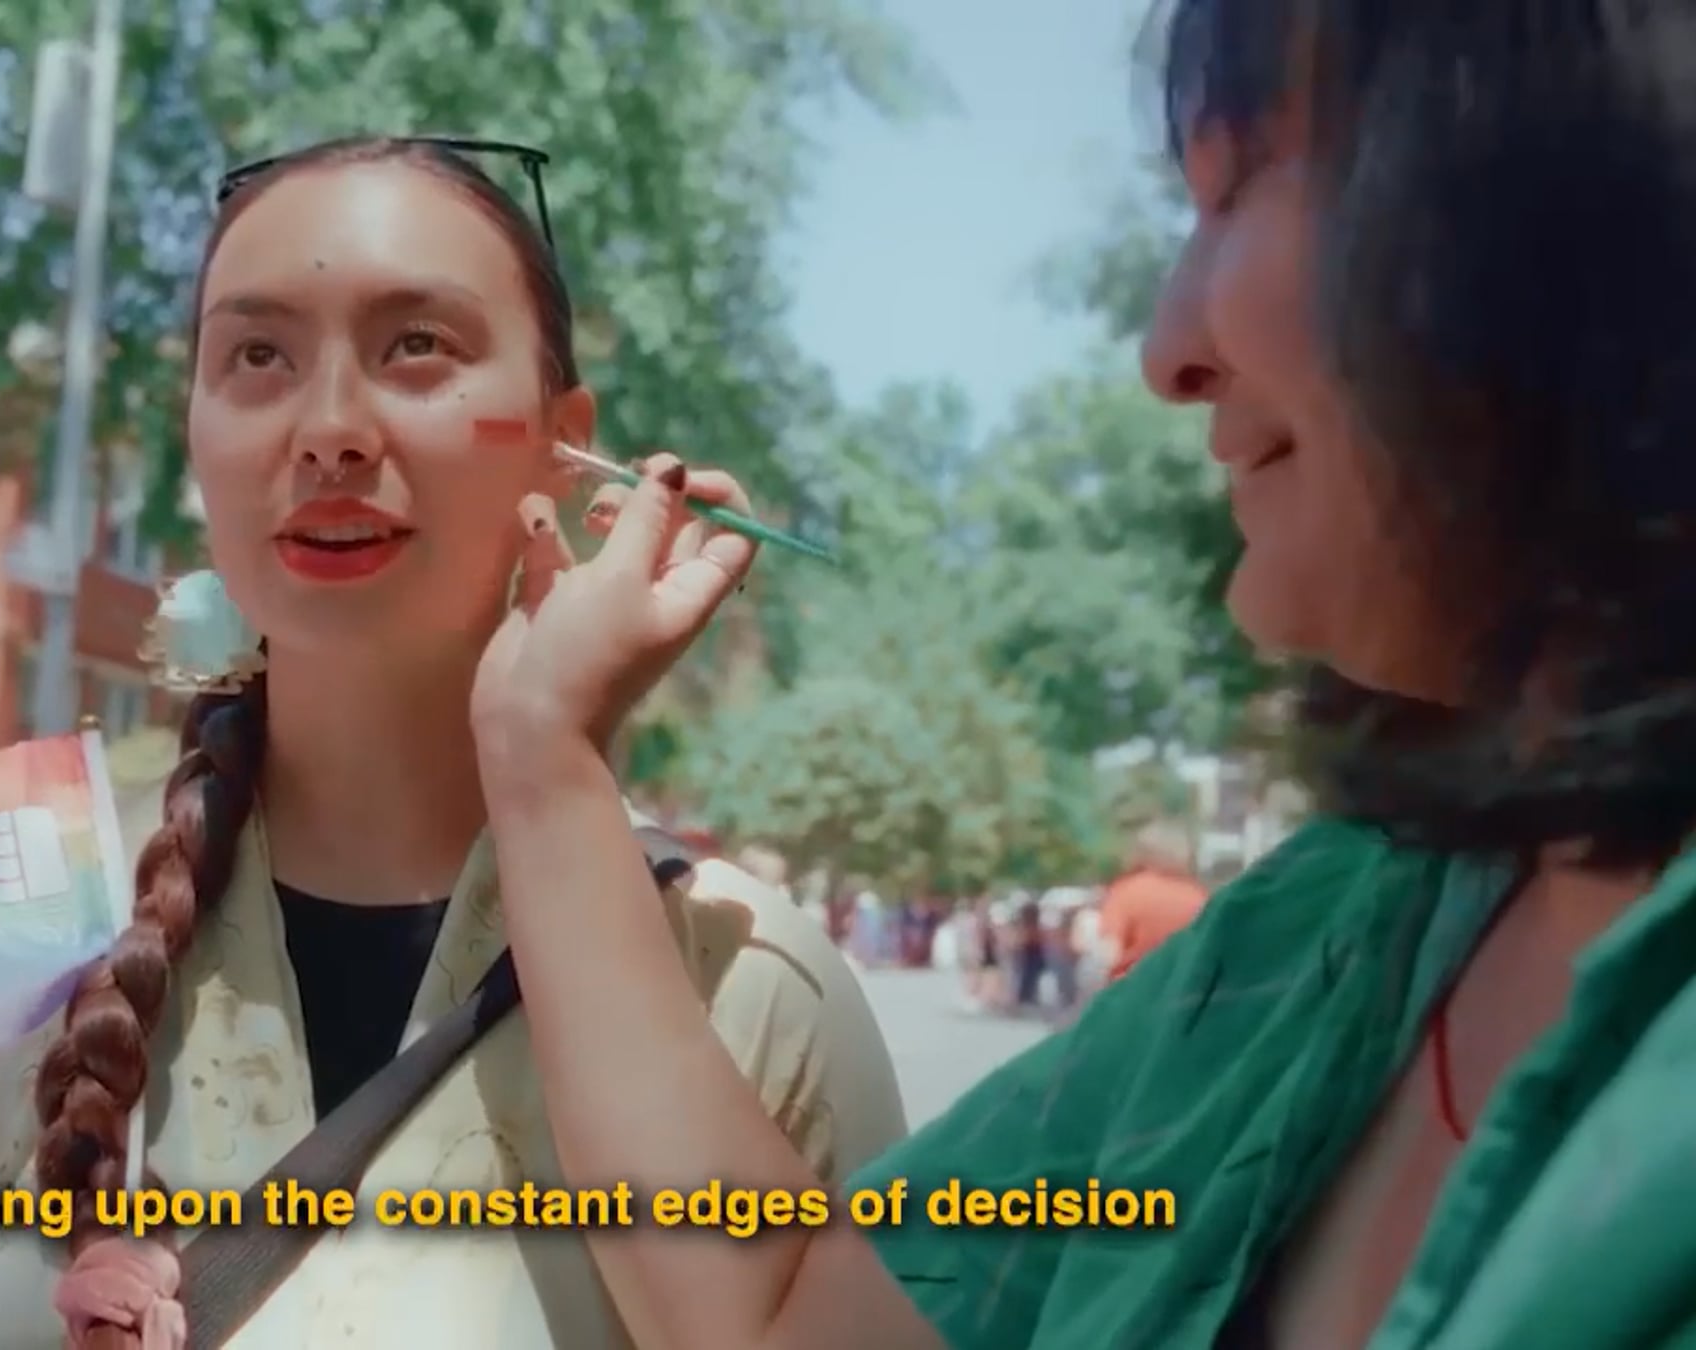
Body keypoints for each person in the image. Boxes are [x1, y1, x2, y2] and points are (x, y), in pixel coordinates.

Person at [461, 1, 1696, 1346]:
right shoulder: (1321, 935)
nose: (1167, 352)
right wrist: (543, 744)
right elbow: (786, 1313)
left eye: (1236, 191)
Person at [0, 136, 905, 1350]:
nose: (329, 430)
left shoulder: (752, 981)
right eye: (257, 356)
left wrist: (547, 750)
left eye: (417, 345)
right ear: (194, 433)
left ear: (564, 441)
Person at [1093, 821, 1209, 982]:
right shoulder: (1199, 897)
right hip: (1184, 988)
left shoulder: (1128, 892)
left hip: (1134, 987)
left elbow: (1109, 952)